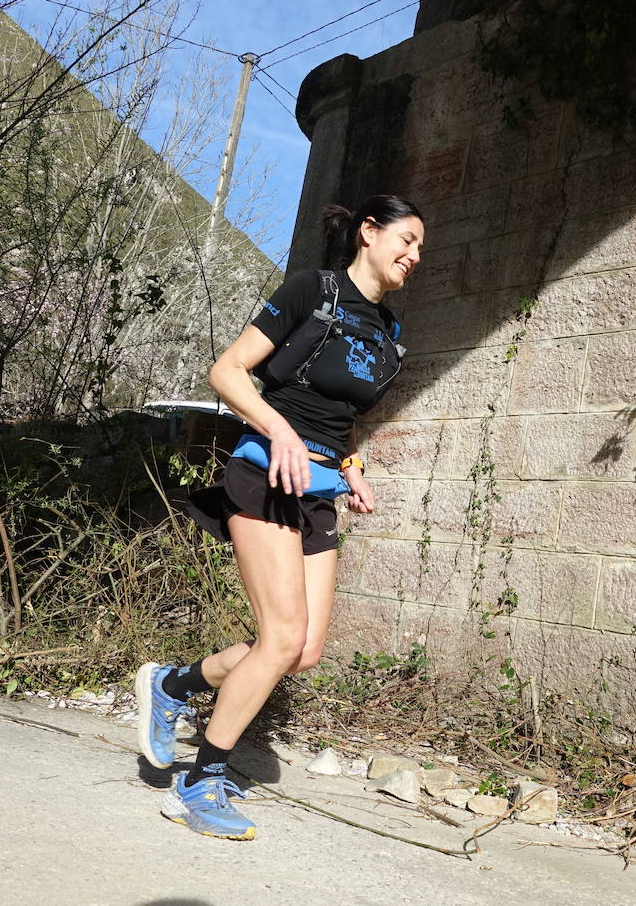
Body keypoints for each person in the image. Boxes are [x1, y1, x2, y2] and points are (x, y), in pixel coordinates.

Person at [134, 194, 425, 840]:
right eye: (406, 240)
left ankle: (173, 685)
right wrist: (280, 432)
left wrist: (352, 468)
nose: (414, 256)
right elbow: (228, 372)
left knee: (302, 650)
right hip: (264, 470)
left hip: (320, 489)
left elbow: (338, 420)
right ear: (368, 234)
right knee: (283, 635)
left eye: (421, 249)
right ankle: (199, 782)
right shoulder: (310, 292)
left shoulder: (389, 332)